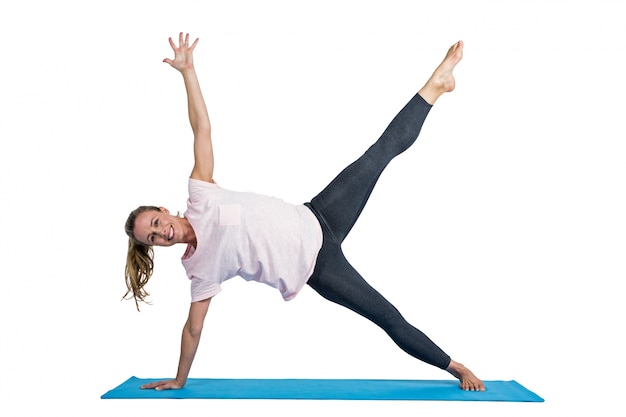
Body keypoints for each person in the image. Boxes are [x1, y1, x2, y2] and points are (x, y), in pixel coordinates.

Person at [124, 32, 485, 392]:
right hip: (320, 268)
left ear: (163, 210)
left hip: (319, 215)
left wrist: (188, 72)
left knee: (377, 155)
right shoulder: (199, 269)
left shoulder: (200, 194)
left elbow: (201, 128)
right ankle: (455, 366)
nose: (161, 233)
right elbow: (194, 328)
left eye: (156, 223)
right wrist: (180, 378)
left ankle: (436, 86)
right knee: (387, 316)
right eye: (152, 238)